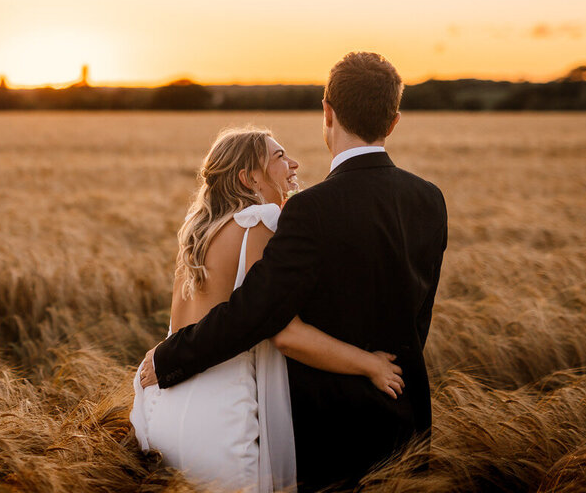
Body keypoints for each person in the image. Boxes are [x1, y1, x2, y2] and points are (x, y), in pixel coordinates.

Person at [139, 52, 448, 491]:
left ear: (328, 111)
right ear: (394, 121)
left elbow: (256, 312)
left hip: (330, 426)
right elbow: (418, 314)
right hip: (407, 414)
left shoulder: (309, 210)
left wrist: (170, 356)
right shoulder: (430, 199)